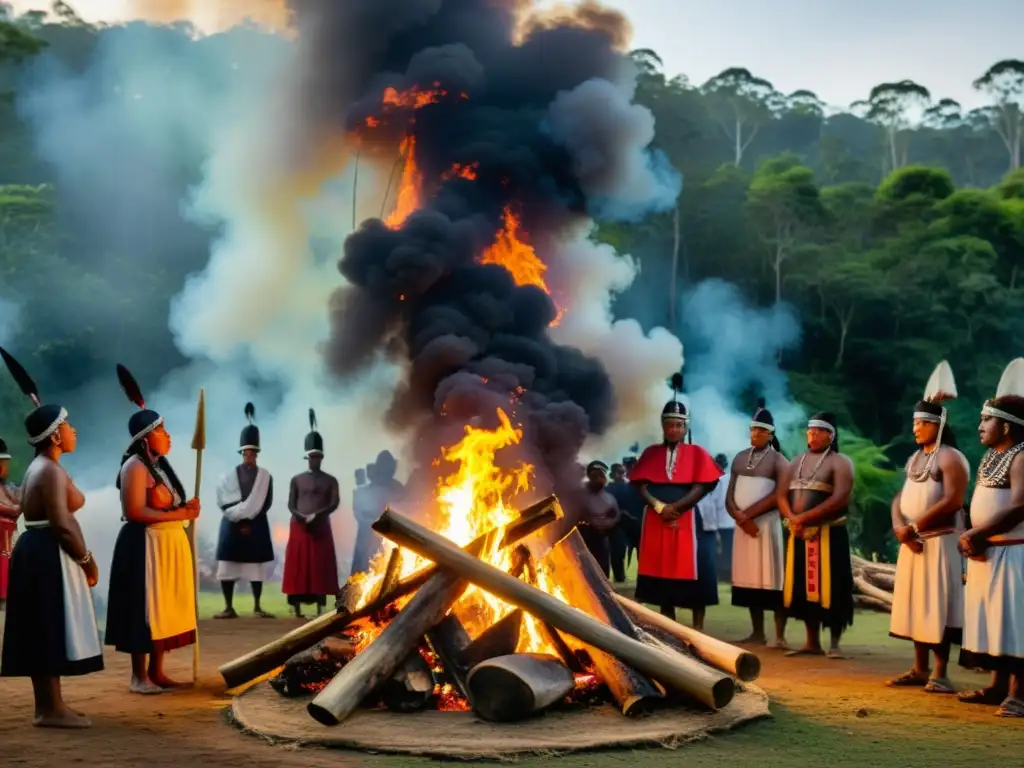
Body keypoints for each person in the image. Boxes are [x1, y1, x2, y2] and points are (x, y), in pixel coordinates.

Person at [0, 346, 102, 728]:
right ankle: (49, 708)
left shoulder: (43, 467)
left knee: (45, 627)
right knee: (46, 628)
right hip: (48, 552)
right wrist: (87, 559)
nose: (73, 430)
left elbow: (71, 503)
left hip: (38, 551)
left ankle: (52, 704)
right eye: (67, 426)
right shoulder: (49, 471)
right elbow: (63, 521)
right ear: (55, 437)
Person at [104, 364, 200, 694]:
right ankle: (138, 676)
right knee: (144, 609)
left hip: (166, 548)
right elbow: (134, 511)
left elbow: (168, 507)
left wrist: (185, 511)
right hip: (143, 547)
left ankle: (158, 671)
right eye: (162, 430)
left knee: (166, 610)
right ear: (146, 439)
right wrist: (180, 514)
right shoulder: (134, 466)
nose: (168, 435)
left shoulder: (159, 468)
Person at [887, 361, 968, 693]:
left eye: (921, 424)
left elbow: (952, 501)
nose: (915, 429)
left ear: (937, 425)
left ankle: (940, 673)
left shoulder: (952, 458)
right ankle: (919, 669)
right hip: (912, 543)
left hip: (938, 543)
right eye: (914, 423)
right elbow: (900, 496)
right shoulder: (915, 459)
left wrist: (916, 526)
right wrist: (899, 526)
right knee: (914, 605)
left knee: (938, 606)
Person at [957, 358, 1024, 717]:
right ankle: (997, 686)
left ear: (1007, 426)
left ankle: (1019, 693)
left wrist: (979, 532)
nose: (980, 425)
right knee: (994, 622)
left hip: (1015, 553)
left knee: (1016, 622)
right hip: (987, 553)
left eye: (987, 420)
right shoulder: (990, 457)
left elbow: (1020, 507)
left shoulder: (1022, 457)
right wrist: (973, 534)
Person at [629, 373, 722, 629]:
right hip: (656, 519)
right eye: (669, 424)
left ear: (686, 427)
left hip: (690, 518)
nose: (674, 429)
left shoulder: (698, 453)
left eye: (679, 425)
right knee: (660, 569)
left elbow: (704, 484)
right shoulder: (651, 453)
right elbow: (640, 485)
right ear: (663, 426)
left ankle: (698, 627)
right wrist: (659, 507)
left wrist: (678, 507)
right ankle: (666, 623)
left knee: (698, 566)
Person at [778, 412, 855, 658]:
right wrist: (793, 518)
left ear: (829, 435)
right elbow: (780, 495)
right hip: (799, 534)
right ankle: (811, 642)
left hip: (828, 534)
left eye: (816, 431)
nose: (810, 434)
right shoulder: (795, 462)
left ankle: (834, 644)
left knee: (834, 587)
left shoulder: (840, 462)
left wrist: (805, 518)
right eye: (809, 430)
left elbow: (840, 497)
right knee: (802, 586)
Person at [728, 399, 790, 647]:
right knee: (749, 579)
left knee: (772, 579)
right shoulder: (740, 458)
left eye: (761, 430)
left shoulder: (779, 460)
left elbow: (780, 495)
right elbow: (730, 494)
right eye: (753, 429)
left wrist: (749, 515)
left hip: (766, 527)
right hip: (743, 528)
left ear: (770, 434)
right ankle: (757, 632)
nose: (755, 434)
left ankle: (780, 635)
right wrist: (738, 516)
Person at [215, 402, 275, 619]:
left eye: (253, 452)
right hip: (232, 526)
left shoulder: (265, 476)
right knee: (228, 567)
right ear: (242, 452)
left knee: (255, 568)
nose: (250, 455)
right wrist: (239, 521)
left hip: (257, 525)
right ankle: (228, 607)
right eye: (246, 452)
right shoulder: (227, 477)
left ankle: (258, 606)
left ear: (257, 454)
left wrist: (250, 520)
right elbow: (223, 502)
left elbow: (266, 502)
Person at [282, 409, 341, 618]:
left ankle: (319, 606)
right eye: (311, 457)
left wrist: (318, 516)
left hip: (320, 527)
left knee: (318, 567)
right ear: (307, 457)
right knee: (300, 566)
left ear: (321, 457)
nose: (314, 460)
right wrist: (300, 516)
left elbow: (334, 502)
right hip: (299, 527)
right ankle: (296, 605)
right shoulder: (297, 479)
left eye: (317, 457)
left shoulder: (330, 480)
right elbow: (290, 503)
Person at [351, 451, 404, 575]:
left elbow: (404, 509)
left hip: (388, 539)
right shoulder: (364, 491)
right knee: (362, 571)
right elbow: (360, 514)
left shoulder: (397, 488)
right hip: (367, 539)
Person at [577, 460, 621, 578]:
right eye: (594, 475)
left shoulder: (609, 498)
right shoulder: (580, 496)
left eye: (601, 475)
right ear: (589, 476)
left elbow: (616, 516)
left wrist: (608, 524)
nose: (598, 478)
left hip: (602, 540)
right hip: (583, 541)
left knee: (602, 571)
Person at [606, 462, 642, 582]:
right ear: (612, 474)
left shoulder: (635, 488)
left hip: (636, 524)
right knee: (617, 552)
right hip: (618, 525)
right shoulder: (608, 490)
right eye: (618, 472)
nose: (620, 475)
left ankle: (644, 579)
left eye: (622, 472)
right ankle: (619, 577)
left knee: (642, 553)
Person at [703, 453, 734, 581]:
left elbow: (711, 504)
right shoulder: (730, 479)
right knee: (729, 550)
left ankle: (722, 574)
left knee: (719, 551)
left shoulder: (715, 481)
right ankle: (728, 574)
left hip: (720, 522)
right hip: (731, 522)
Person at [0, 436, 22, 611]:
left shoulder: (8, 487)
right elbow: (14, 509)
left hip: (9, 538)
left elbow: (17, 505)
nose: (4, 468)